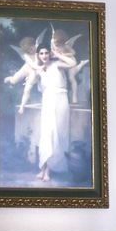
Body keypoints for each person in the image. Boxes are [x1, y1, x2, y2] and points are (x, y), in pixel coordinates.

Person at [15, 44, 77, 182]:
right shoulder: (38, 70)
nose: (44, 56)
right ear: (38, 55)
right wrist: (22, 106)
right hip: (48, 101)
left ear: (50, 54)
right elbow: (28, 88)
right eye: (41, 53)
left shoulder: (57, 65)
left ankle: (48, 170)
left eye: (46, 53)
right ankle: (43, 168)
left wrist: (57, 54)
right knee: (47, 134)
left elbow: (72, 63)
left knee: (57, 134)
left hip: (61, 101)